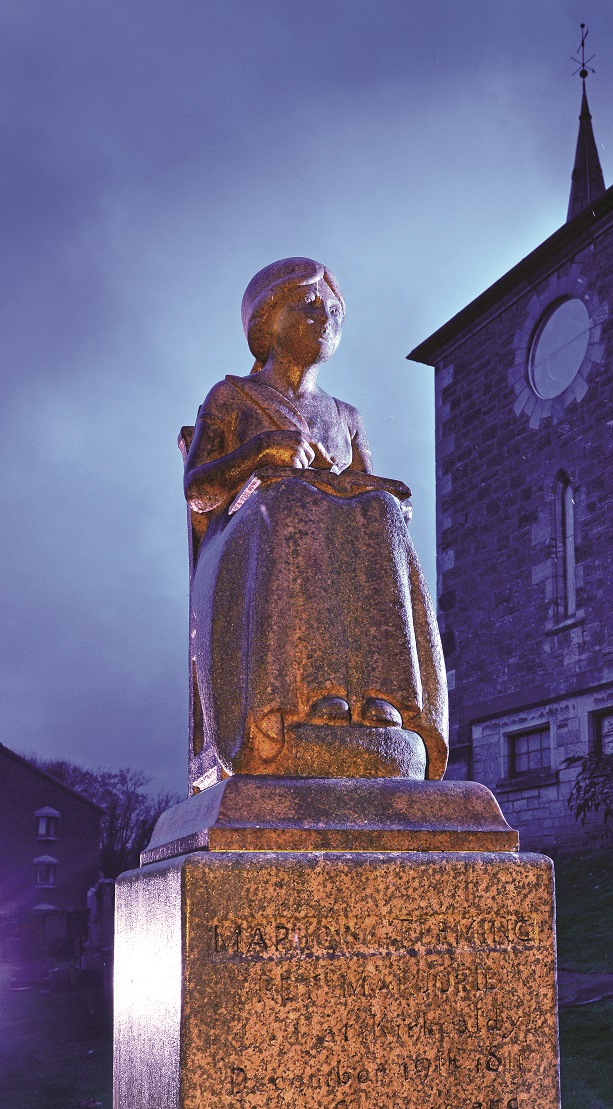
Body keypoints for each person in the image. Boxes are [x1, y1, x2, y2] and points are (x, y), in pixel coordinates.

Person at [181, 258, 447, 785]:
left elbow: (363, 488)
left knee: (382, 513)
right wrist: (259, 451)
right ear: (267, 319)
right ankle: (300, 696)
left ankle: (382, 697)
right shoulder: (232, 397)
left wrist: (385, 493)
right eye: (309, 305)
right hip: (250, 541)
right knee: (292, 501)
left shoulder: (346, 415)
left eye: (334, 310)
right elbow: (199, 490)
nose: (325, 317)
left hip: (326, 544)